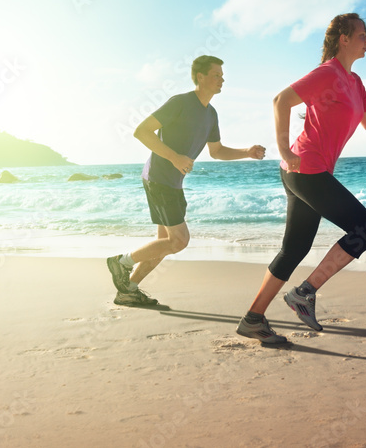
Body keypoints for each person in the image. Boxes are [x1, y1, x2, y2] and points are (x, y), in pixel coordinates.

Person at [236, 13, 366, 344]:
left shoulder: (355, 82)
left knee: (294, 249)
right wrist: (284, 150)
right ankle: (304, 293)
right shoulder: (327, 74)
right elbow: (281, 101)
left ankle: (253, 319)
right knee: (365, 229)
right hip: (305, 168)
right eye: (363, 35)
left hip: (303, 173)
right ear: (344, 39)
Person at [106, 55, 266, 306]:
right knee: (178, 241)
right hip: (158, 177)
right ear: (200, 77)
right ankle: (121, 262)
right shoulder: (179, 103)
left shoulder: (211, 114)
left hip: (172, 182)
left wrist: (246, 152)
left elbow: (216, 151)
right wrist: (174, 157)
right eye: (216, 74)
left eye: (222, 75)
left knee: (164, 244)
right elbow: (141, 131)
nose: (221, 79)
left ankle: (129, 289)